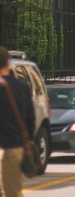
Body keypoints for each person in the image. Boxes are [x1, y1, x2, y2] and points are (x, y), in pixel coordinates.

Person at [0, 46, 35, 197]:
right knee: (12, 192)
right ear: (9, 62)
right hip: (16, 148)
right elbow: (31, 119)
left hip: (3, 149)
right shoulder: (22, 86)